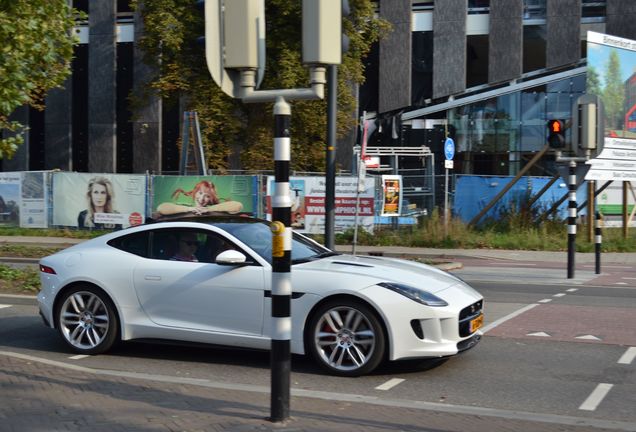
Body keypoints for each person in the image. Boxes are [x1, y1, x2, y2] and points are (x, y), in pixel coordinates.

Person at [156, 180, 243, 216]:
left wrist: (208, 209)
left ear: (211, 199)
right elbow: (161, 208)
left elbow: (238, 206)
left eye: (207, 196)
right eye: (200, 193)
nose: (201, 199)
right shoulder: (185, 207)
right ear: (195, 192)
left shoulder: (217, 209)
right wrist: (190, 209)